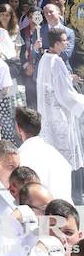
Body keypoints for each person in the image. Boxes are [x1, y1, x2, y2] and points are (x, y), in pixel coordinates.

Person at [37, 27, 84, 170]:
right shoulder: (56, 61)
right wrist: (81, 101)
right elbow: (64, 93)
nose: (67, 43)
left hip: (47, 112)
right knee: (63, 157)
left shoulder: (45, 57)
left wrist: (68, 78)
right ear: (56, 43)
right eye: (64, 40)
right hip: (59, 113)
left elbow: (52, 83)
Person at [14, 105, 72, 201]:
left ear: (18, 128)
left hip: (41, 213)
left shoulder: (19, 159)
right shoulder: (58, 156)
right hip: (66, 212)